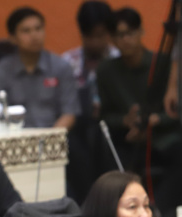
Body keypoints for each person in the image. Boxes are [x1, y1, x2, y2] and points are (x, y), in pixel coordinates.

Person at [97, 7, 182, 217]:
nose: (126, 40)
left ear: (141, 32)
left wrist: (156, 120)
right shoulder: (106, 70)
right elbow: (105, 116)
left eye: (130, 33)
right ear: (112, 39)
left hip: (162, 136)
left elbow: (175, 111)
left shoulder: (163, 63)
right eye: (119, 35)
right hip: (127, 138)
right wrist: (125, 121)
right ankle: (115, 212)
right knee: (101, 146)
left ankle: (160, 210)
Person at [61, 1, 120, 205]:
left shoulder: (119, 58)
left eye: (100, 35)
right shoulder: (67, 62)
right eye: (89, 36)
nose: (95, 42)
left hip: (113, 125)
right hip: (78, 129)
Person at [0, 7, 79, 129]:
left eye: (38, 29)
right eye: (26, 31)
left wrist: (50, 138)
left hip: (53, 135)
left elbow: (69, 113)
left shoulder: (61, 67)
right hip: (15, 137)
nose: (34, 35)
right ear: (13, 38)